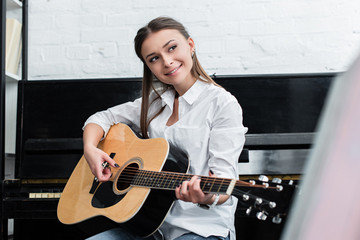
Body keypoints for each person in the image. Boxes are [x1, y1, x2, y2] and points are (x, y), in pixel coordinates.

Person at [83, 16, 247, 240]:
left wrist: (205, 197)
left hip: (200, 230)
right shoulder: (153, 102)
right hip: (148, 227)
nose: (167, 62)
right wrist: (90, 149)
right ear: (148, 66)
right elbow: (101, 118)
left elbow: (224, 182)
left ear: (190, 45)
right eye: (154, 58)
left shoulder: (222, 104)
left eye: (172, 48)